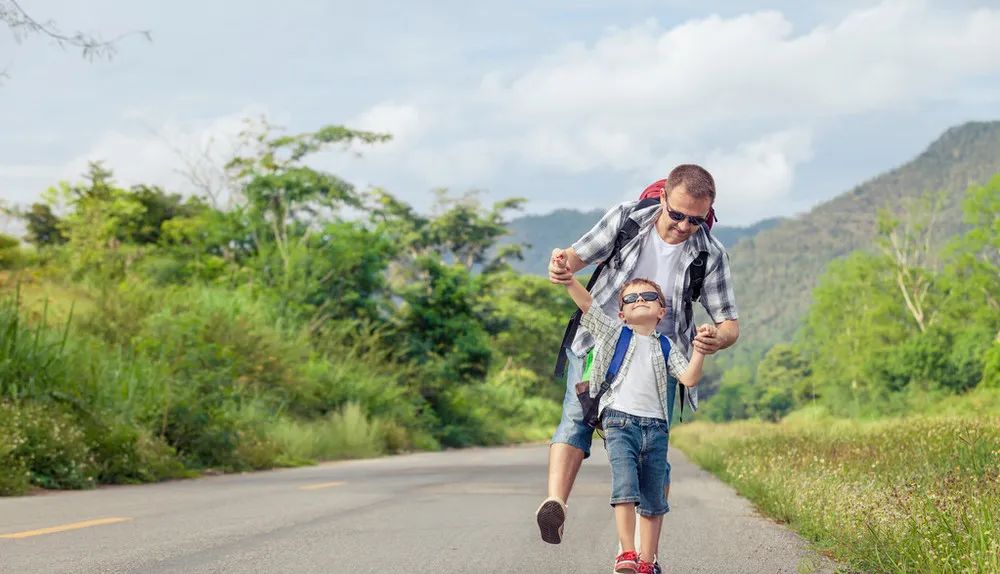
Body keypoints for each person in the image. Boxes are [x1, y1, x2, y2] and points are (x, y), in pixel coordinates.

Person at [535, 165, 740, 557]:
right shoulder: (627, 218)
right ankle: (555, 504)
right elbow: (576, 259)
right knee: (576, 420)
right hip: (601, 337)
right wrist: (562, 264)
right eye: (677, 214)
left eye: (696, 221)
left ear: (708, 214)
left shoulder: (710, 253)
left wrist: (716, 338)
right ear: (662, 199)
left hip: (660, 354)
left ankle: (642, 554)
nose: (683, 226)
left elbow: (729, 321)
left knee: (652, 449)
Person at [555, 268, 709, 573]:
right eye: (631, 298)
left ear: (661, 311)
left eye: (648, 297)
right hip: (619, 422)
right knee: (625, 486)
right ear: (622, 313)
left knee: (653, 497)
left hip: (656, 428)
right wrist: (570, 279)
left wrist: (699, 350)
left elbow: (689, 377)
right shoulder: (614, 333)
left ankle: (647, 562)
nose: (640, 300)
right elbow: (588, 307)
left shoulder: (666, 346)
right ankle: (627, 552)